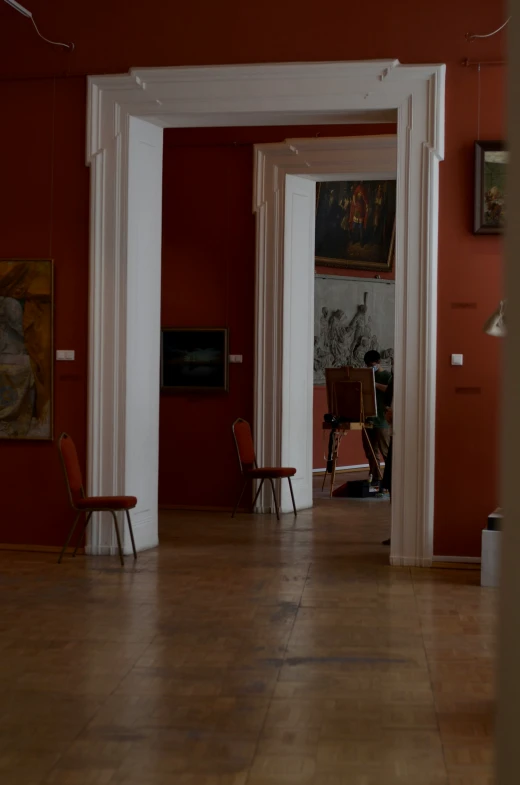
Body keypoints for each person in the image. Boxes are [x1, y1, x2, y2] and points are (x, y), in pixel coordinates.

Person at [362, 350, 391, 488]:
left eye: (372, 364)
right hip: (369, 419)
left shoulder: (386, 375)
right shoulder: (368, 375)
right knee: (370, 451)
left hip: (382, 421)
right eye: (367, 365)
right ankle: (376, 477)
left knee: (385, 451)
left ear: (378, 363)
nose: (369, 367)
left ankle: (389, 480)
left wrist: (375, 385)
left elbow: (390, 390)